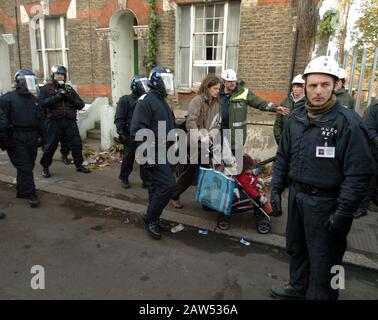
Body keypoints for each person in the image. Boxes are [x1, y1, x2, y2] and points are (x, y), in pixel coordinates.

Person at [269, 56, 373, 300]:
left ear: (335, 85)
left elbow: (358, 173)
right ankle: (297, 287)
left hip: (328, 204)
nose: (318, 91)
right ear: (304, 86)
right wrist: (275, 189)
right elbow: (283, 156)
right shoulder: (295, 119)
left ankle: (325, 295)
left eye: (324, 84)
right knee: (296, 248)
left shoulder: (348, 123)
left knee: (328, 258)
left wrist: (344, 211)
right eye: (313, 85)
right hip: (297, 198)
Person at [130, 66, 177, 240]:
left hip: (166, 151)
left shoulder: (161, 100)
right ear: (157, 82)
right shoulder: (146, 100)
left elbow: (164, 125)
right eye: (166, 81)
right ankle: (149, 219)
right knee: (168, 185)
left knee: (156, 187)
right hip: (153, 151)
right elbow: (138, 131)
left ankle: (154, 219)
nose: (169, 84)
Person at [170, 74, 222, 209]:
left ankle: (205, 201)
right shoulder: (197, 101)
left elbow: (217, 122)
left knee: (207, 173)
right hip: (194, 144)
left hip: (207, 144)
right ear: (207, 87)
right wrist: (201, 136)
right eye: (215, 88)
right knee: (188, 174)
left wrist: (212, 134)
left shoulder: (217, 103)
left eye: (218, 89)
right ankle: (174, 195)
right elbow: (190, 122)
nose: (217, 91)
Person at [0, 69, 45, 207]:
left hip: (31, 136)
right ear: (19, 82)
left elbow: (40, 120)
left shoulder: (34, 100)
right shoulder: (7, 99)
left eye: (32, 81)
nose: (30, 85)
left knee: (29, 164)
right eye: (27, 81)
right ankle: (31, 193)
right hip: (16, 136)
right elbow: (2, 120)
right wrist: (4, 139)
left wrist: (43, 137)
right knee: (24, 165)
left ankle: (22, 190)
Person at [219, 69, 289, 152]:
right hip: (220, 132)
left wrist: (275, 107)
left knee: (236, 161)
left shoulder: (244, 92)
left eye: (234, 80)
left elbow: (260, 103)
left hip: (236, 135)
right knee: (218, 161)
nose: (233, 83)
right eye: (230, 81)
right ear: (223, 82)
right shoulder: (217, 93)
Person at [39, 65, 90, 177]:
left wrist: (69, 97)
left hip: (69, 121)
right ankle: (45, 167)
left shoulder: (69, 89)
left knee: (76, 144)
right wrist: (57, 97)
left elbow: (80, 105)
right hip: (53, 121)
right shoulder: (46, 89)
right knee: (50, 146)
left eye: (62, 75)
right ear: (53, 76)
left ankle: (79, 165)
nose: (60, 76)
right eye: (57, 74)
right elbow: (42, 103)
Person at [114, 75, 150, 189]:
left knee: (145, 158)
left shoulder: (146, 100)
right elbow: (119, 117)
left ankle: (146, 180)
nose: (144, 88)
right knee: (128, 158)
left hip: (144, 133)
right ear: (135, 86)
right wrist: (121, 132)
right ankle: (124, 177)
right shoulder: (126, 100)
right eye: (142, 85)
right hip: (130, 134)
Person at [354, 98, 378, 218]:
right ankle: (362, 207)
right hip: (375, 152)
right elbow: (369, 127)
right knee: (370, 181)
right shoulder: (375, 109)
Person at [273, 74, 306, 144]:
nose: (295, 89)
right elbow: (277, 123)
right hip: (284, 141)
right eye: (294, 86)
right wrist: (280, 140)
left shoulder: (308, 104)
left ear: (304, 87)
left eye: (297, 87)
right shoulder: (285, 102)